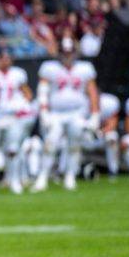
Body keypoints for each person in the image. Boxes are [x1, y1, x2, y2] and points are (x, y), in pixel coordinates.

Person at [34, 38, 99, 192]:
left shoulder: (85, 68)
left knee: (74, 145)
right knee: (50, 143)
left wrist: (95, 114)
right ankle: (42, 177)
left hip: (77, 112)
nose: (67, 56)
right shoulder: (50, 68)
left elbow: (92, 92)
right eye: (64, 52)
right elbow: (42, 91)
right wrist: (43, 111)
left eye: (69, 52)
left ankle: (70, 176)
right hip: (56, 113)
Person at [0, 50, 34, 194]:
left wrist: (22, 106)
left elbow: (28, 93)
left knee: (13, 149)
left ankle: (14, 180)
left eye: (7, 58)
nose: (5, 61)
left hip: (12, 116)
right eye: (2, 58)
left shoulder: (17, 74)